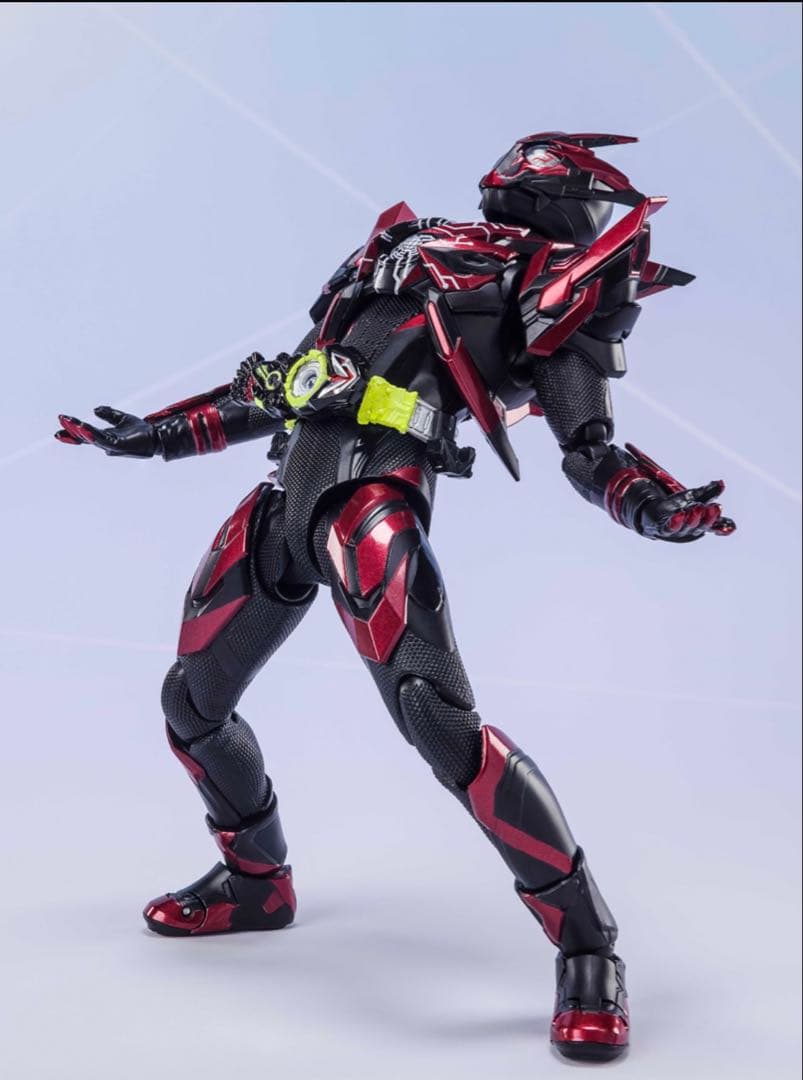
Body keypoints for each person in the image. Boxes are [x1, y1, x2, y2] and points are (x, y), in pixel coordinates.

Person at [56, 131, 734, 1062]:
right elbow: (293, 385)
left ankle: (587, 948)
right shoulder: (396, 248)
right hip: (285, 497)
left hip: (371, 509)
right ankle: (257, 883)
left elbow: (590, 449)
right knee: (192, 703)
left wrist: (653, 507)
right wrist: (158, 434)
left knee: (440, 724)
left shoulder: (548, 286)